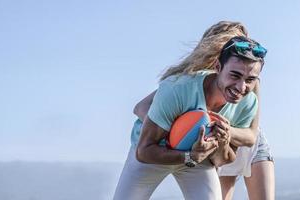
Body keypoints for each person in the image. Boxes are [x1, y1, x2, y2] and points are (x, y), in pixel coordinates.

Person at [113, 22, 267, 200]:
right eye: (235, 75)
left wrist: (222, 142)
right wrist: (182, 138)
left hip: (199, 157)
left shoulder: (247, 102)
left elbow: (222, 159)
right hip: (155, 152)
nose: (241, 87)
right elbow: (144, 150)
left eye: (250, 79)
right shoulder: (178, 87)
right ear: (218, 66)